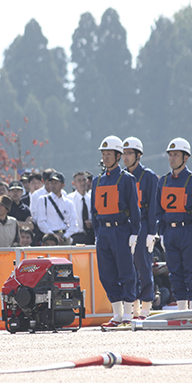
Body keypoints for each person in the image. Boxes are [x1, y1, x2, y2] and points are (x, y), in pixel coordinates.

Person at [91, 136, 141, 327]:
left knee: (126, 272)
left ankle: (128, 313)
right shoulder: (97, 181)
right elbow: (94, 211)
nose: (105, 157)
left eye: (109, 154)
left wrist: (135, 233)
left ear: (118, 156)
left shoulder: (127, 179)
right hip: (104, 232)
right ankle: (117, 314)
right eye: (103, 154)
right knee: (107, 273)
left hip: (121, 230)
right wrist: (97, 234)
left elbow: (134, 208)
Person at [155, 137, 192, 311]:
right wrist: (162, 232)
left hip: (188, 231)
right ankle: (181, 310)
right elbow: (159, 211)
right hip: (170, 232)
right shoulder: (162, 181)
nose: (171, 158)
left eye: (176, 155)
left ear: (186, 158)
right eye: (170, 155)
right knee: (175, 273)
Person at [122, 136, 159, 319]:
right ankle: (132, 308)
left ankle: (146, 307)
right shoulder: (121, 176)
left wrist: (152, 231)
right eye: (124, 153)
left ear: (138, 155)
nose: (125, 157)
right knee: (128, 268)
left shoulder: (149, 176)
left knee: (143, 266)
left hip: (143, 223)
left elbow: (153, 205)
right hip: (126, 225)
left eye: (129, 153)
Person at [35, 172, 80, 245]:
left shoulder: (68, 203)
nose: (53, 185)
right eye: (51, 183)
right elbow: (41, 222)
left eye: (56, 183)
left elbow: (74, 224)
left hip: (65, 237)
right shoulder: (43, 200)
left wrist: (65, 236)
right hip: (49, 238)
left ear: (63, 185)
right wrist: (53, 236)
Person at [68, 171, 94, 245]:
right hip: (76, 236)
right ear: (74, 183)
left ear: (88, 181)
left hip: (90, 235)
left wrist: (92, 223)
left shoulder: (92, 198)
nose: (82, 183)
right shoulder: (69, 199)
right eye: (79, 181)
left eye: (84, 180)